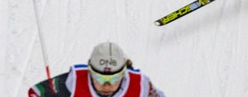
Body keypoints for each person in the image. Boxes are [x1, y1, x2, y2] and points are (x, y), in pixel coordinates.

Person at [26, 40, 165, 97]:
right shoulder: (74, 81)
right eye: (99, 78)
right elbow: (35, 92)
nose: (107, 85)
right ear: (90, 72)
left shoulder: (140, 85)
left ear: (124, 73)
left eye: (114, 79)